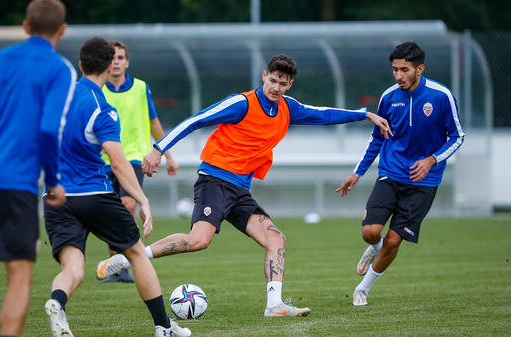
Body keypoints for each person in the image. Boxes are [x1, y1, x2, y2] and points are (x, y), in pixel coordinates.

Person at [96, 54, 392, 317]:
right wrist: (158, 148)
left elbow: (323, 114)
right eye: (273, 80)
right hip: (214, 180)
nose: (276, 87)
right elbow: (196, 120)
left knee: (276, 239)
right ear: (264, 76)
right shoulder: (241, 103)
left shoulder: (289, 108)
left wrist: (364, 114)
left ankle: (274, 305)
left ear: (290, 85)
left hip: (239, 191)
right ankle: (128, 257)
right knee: (199, 240)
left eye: (283, 83)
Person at [43, 37, 190, 337]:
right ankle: (164, 326)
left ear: (81, 65)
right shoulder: (104, 109)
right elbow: (119, 163)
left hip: (55, 196)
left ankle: (57, 302)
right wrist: (143, 199)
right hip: (92, 194)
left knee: (73, 270)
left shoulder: (59, 98)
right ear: (111, 66)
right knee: (136, 253)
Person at [335, 41, 465, 306]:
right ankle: (373, 248)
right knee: (371, 233)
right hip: (390, 173)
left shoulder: (441, 96)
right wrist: (357, 173)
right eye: (395, 70)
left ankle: (362, 289)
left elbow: (458, 136)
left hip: (423, 181)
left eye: (404, 70)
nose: (398, 76)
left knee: (394, 240)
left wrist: (432, 160)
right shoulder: (388, 97)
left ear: (420, 69)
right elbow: (377, 139)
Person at [0, 1, 75, 336]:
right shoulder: (59, 70)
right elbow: (49, 130)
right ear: (62, 30)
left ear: (25, 26)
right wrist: (55, 180)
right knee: (19, 275)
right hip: (15, 183)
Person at [98, 40, 179, 283]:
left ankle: (124, 262)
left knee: (126, 204)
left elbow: (154, 122)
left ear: (127, 62)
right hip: (102, 160)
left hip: (133, 157)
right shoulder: (98, 89)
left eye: (120, 57)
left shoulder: (141, 88)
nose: (116, 62)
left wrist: (168, 156)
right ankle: (116, 265)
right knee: (109, 212)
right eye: (112, 58)